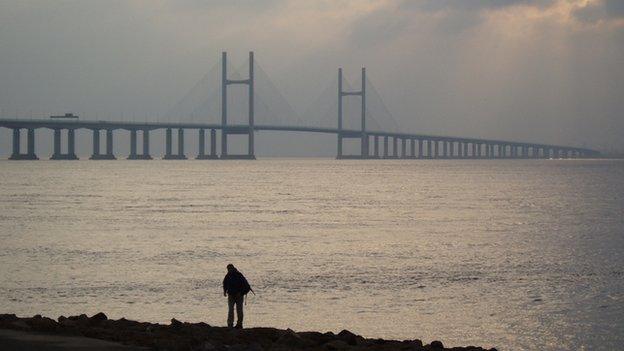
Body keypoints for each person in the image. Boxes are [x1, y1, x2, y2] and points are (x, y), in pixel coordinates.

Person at [222, 264, 252, 329]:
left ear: (232, 268)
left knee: (239, 310)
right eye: (228, 269)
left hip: (239, 296)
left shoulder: (239, 275)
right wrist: (224, 291)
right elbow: (225, 283)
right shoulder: (228, 275)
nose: (228, 270)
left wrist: (241, 293)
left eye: (229, 269)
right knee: (231, 310)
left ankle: (239, 324)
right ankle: (230, 324)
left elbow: (246, 286)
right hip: (231, 295)